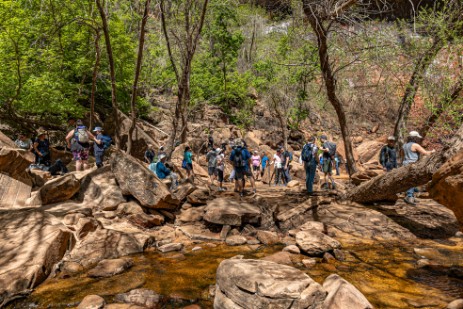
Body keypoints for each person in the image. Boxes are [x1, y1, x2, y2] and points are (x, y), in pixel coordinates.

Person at [403, 131, 435, 205]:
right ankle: (409, 197)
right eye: (417, 138)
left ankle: (412, 196)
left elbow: (402, 154)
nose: (418, 139)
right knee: (412, 180)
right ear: (415, 138)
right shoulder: (415, 145)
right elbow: (425, 153)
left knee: (410, 180)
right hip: (412, 164)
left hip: (405, 163)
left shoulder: (405, 145)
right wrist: (433, 151)